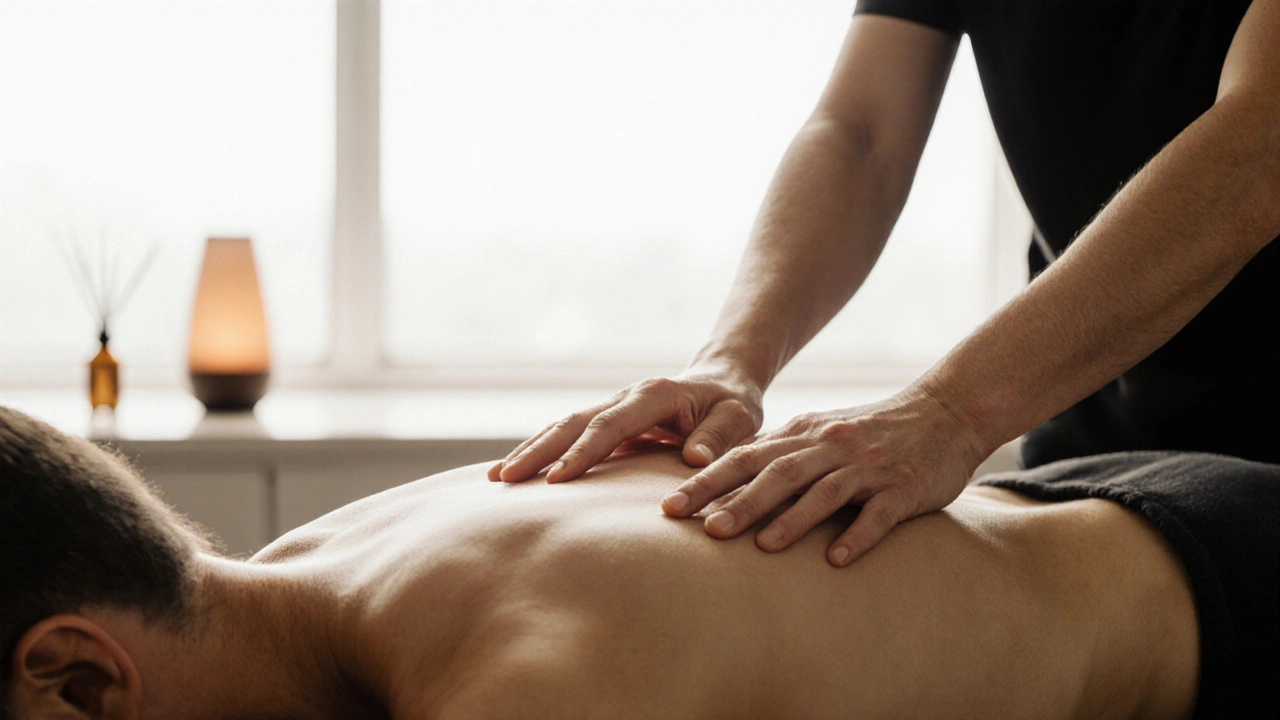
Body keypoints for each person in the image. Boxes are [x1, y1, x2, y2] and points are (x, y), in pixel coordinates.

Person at [490, 0, 1278, 566]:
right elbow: (862, 133)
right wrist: (731, 362)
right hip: (1092, 449)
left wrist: (950, 413)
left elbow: (1261, 145)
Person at [9, 405, 1277, 719]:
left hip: (1229, 605)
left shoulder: (525, 687)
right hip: (1088, 511)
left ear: (78, 681)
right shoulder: (319, 568)